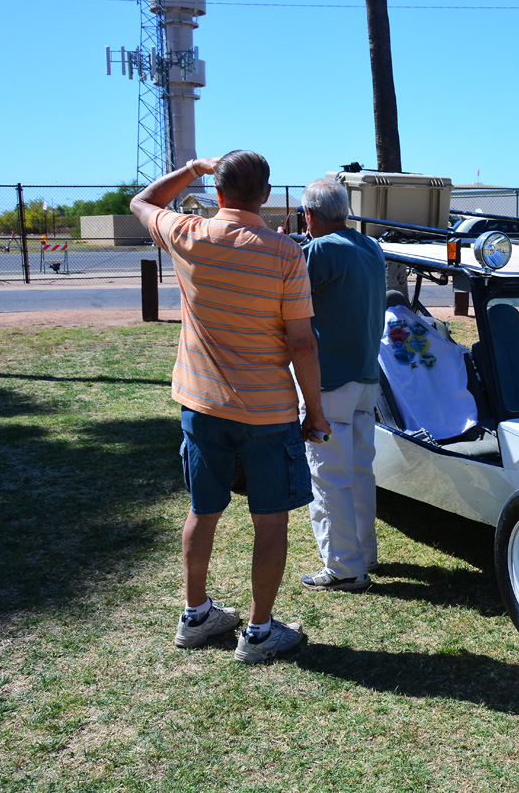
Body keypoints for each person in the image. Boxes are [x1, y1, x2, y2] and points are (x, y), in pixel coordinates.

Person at [129, 150, 330, 665]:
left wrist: (194, 168)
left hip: (201, 404)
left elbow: (143, 201)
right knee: (271, 521)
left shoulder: (187, 234)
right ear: (265, 195)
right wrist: (316, 412)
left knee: (203, 511)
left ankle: (196, 615)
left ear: (217, 192)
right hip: (268, 411)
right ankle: (260, 631)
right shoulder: (286, 253)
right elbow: (302, 344)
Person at [296, 179, 387, 593]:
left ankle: (343, 565)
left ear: (310, 216)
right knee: (358, 471)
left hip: (330, 382)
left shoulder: (318, 251)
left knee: (328, 476)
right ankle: (363, 552)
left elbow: (291, 287)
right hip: (366, 378)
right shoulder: (371, 247)